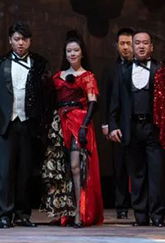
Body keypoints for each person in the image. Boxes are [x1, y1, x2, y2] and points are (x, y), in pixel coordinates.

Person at [0, 20, 54, 228]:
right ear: (10, 40)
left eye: (24, 39)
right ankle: (4, 215)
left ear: (30, 41)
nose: (20, 43)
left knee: (26, 172)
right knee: (4, 172)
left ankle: (23, 214)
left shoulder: (40, 64)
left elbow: (47, 96)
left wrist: (44, 124)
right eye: (16, 39)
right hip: (6, 124)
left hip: (29, 124)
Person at [43, 31, 103, 227]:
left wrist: (84, 126)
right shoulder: (58, 77)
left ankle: (79, 211)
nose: (72, 54)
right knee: (61, 168)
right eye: (69, 51)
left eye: (76, 50)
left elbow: (93, 103)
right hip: (60, 123)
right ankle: (64, 212)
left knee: (77, 167)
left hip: (78, 122)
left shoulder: (87, 76)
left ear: (82, 52)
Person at [108, 30, 165, 227]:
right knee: (137, 174)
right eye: (137, 43)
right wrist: (113, 125)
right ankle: (140, 216)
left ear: (152, 47)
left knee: (156, 173)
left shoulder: (159, 69)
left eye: (145, 43)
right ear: (132, 47)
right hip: (131, 127)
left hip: (153, 128)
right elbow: (115, 100)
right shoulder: (123, 70)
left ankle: (157, 215)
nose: (141, 46)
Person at [100, 28, 135, 219]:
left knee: (137, 166)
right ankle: (121, 207)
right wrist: (106, 123)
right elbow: (105, 97)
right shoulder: (111, 69)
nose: (126, 47)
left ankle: (140, 206)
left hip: (137, 124)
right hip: (118, 124)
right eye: (122, 43)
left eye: (129, 43)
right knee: (119, 166)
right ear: (117, 45)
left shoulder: (142, 67)